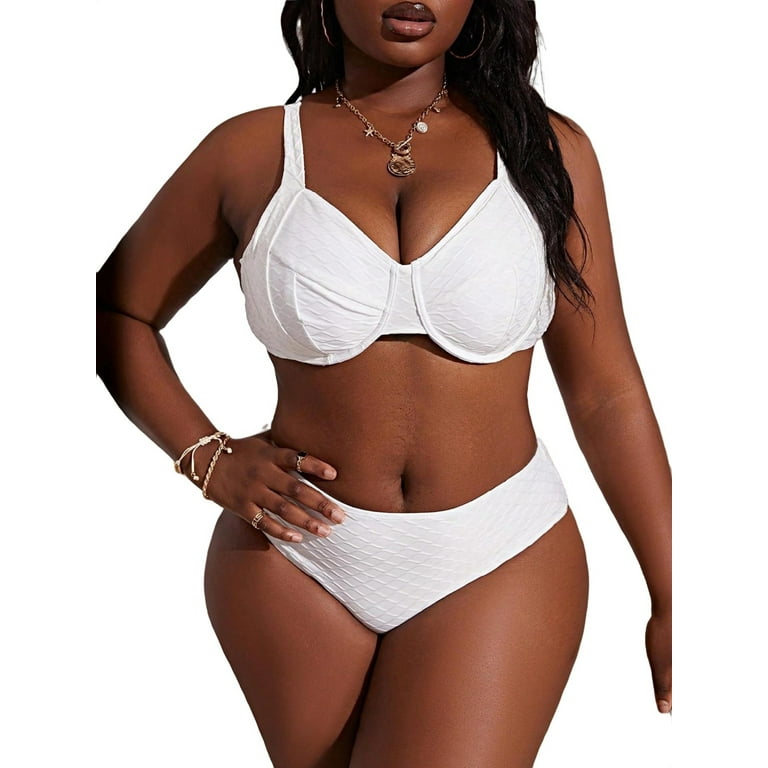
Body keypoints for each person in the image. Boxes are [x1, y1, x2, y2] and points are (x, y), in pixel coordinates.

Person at [96, 0, 672, 765]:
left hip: (497, 548)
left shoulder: (546, 151)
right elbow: (114, 312)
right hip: (291, 560)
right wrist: (208, 458)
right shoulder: (250, 152)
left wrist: (673, 588)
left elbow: (606, 391)